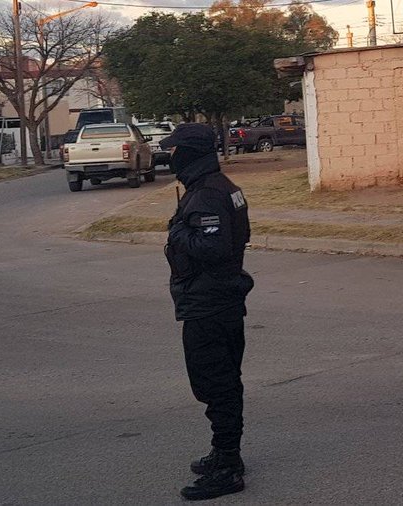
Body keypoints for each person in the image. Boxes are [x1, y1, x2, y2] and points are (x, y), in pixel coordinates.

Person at [160, 123, 254, 501]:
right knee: (222, 381)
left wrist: (175, 232)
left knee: (216, 383)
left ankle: (228, 466)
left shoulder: (208, 194)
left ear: (191, 153)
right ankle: (224, 452)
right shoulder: (219, 187)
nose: (170, 157)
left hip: (209, 303)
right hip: (220, 299)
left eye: (175, 151)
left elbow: (213, 248)